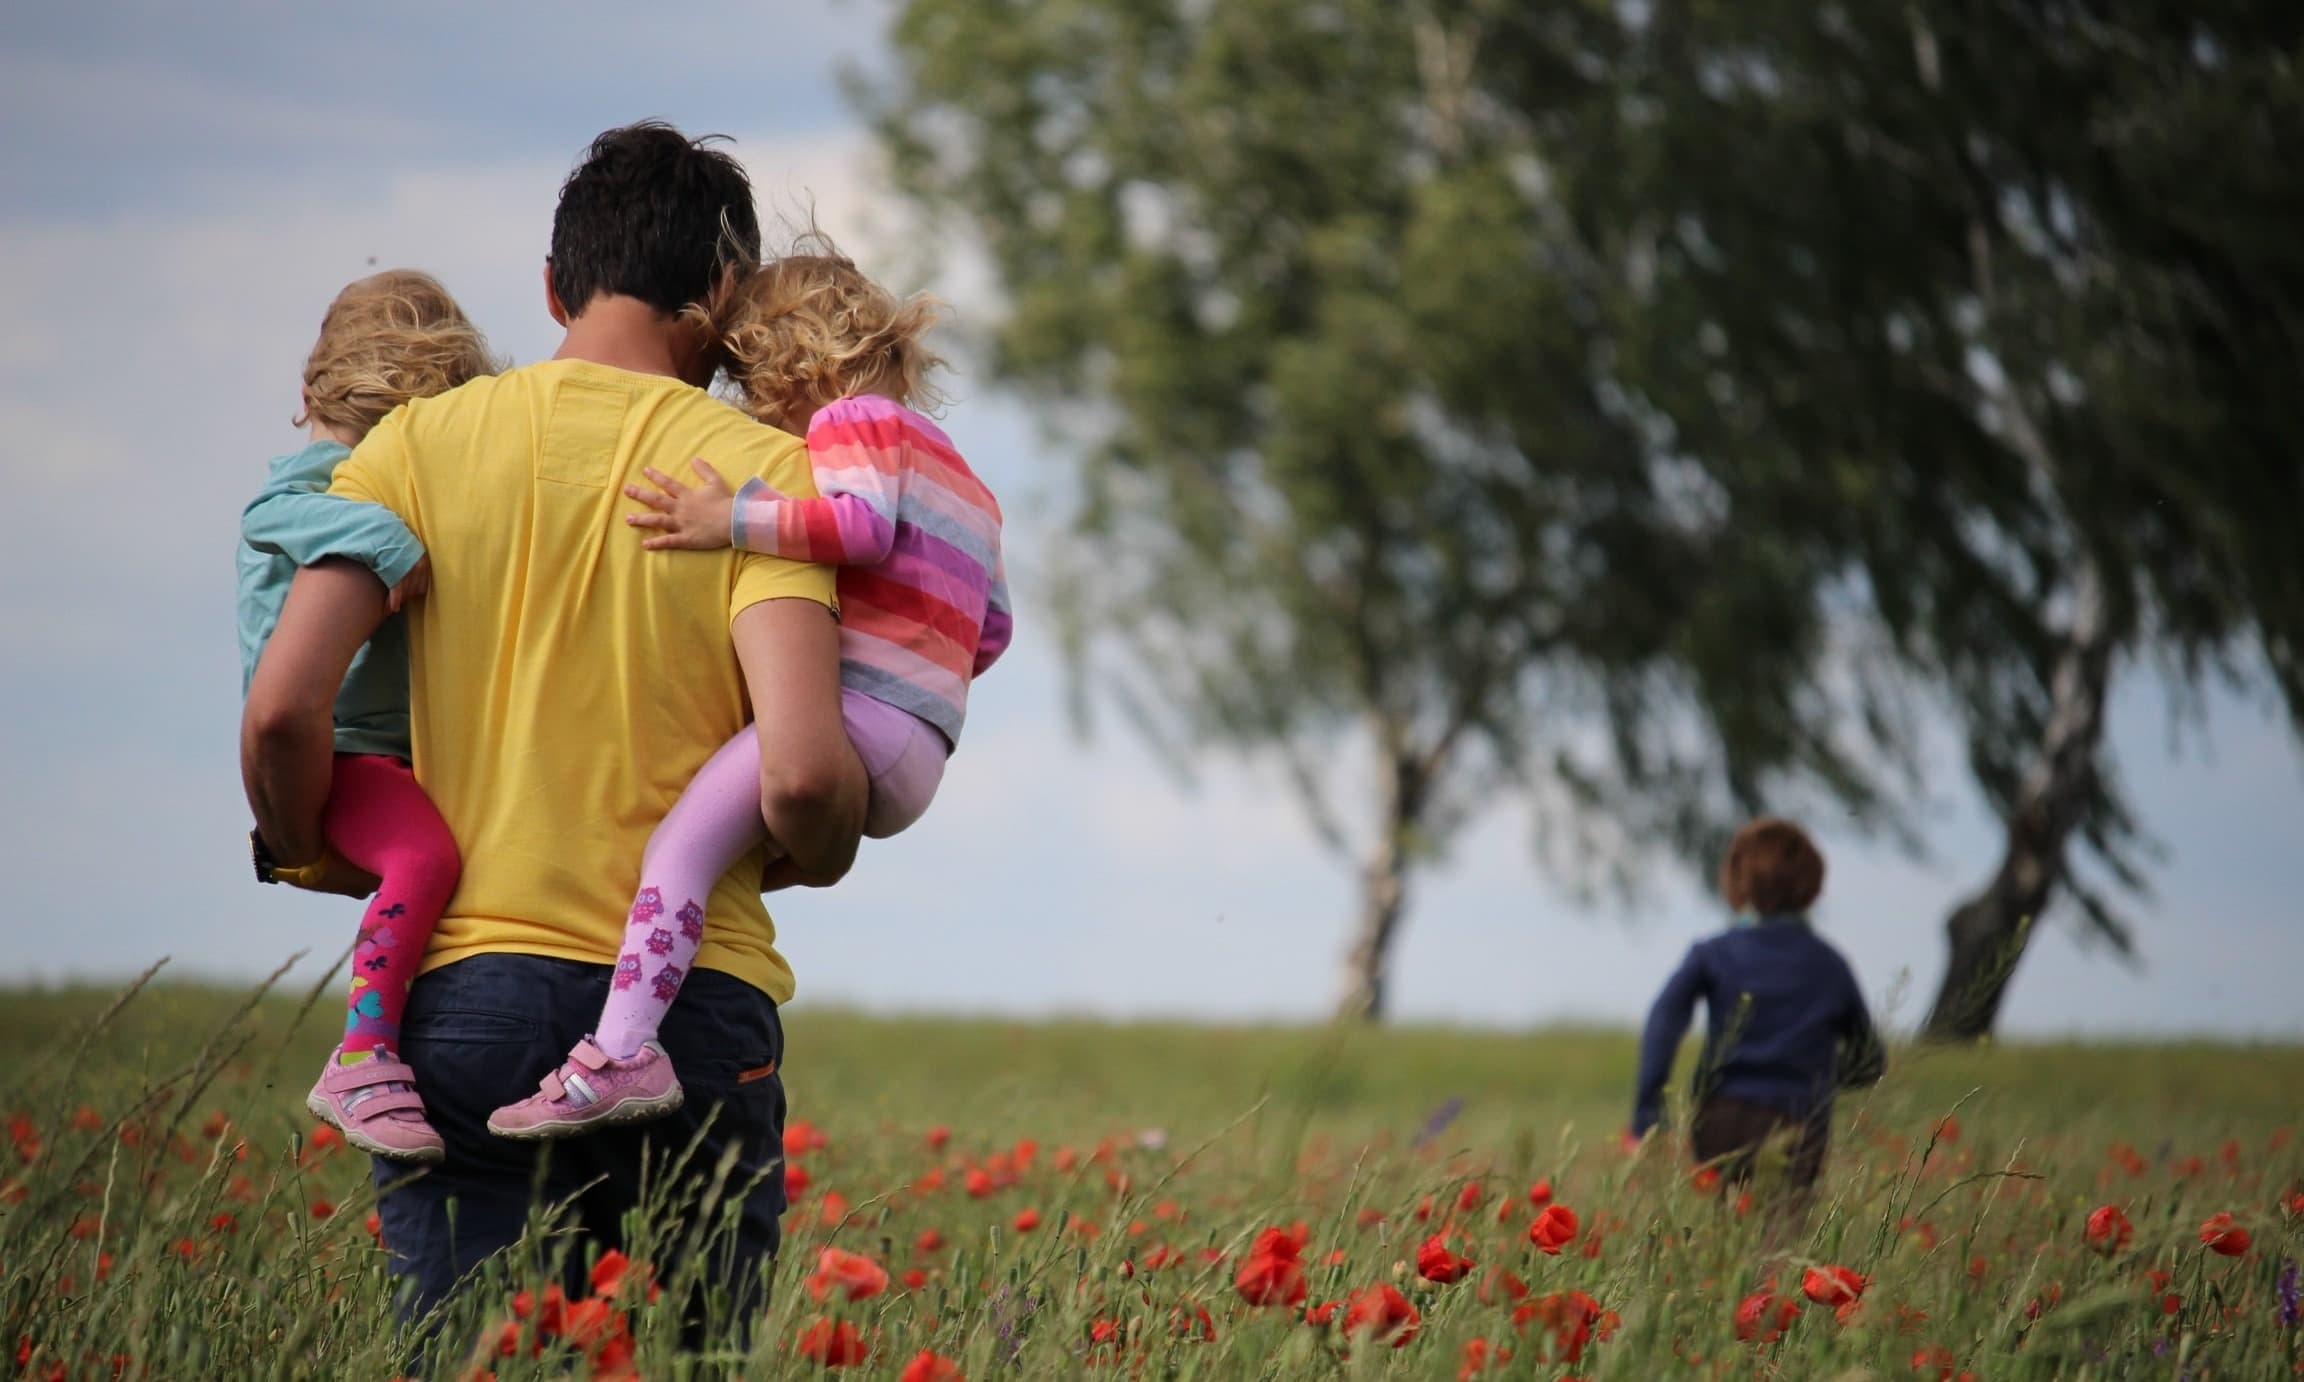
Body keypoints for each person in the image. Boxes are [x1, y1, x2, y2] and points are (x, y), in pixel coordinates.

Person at [241, 121, 867, 1316]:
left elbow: (281, 710)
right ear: (724, 293)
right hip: (690, 1009)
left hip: (464, 993)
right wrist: (822, 849)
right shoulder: (761, 477)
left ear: (551, 285)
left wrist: (309, 844)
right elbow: (798, 773)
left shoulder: (410, 448)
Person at [488, 246, 1012, 1139]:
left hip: (858, 721)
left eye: (751, 384)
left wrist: (725, 518)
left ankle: (621, 1053)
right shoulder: (967, 479)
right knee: (724, 854)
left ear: (791, 364)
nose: (756, 411)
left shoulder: (853, 423)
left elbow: (857, 526)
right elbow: (991, 630)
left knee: (677, 852)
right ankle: (647, 1010)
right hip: (923, 746)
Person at [237, 269, 497, 1162]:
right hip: (344, 750)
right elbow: (272, 512)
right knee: (425, 857)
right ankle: (364, 1054)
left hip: (388, 752)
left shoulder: (362, 470)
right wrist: (387, 539)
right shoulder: (320, 482)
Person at [1628, 817, 1886, 1202]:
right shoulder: (1830, 965)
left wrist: (1649, 1115)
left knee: (1726, 1232)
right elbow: (1870, 1060)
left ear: (1737, 880)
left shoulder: (1713, 954)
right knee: (1781, 1242)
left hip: (1721, 1117)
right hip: (1799, 1122)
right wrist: (1817, 1079)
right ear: (1811, 885)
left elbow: (1663, 1021)